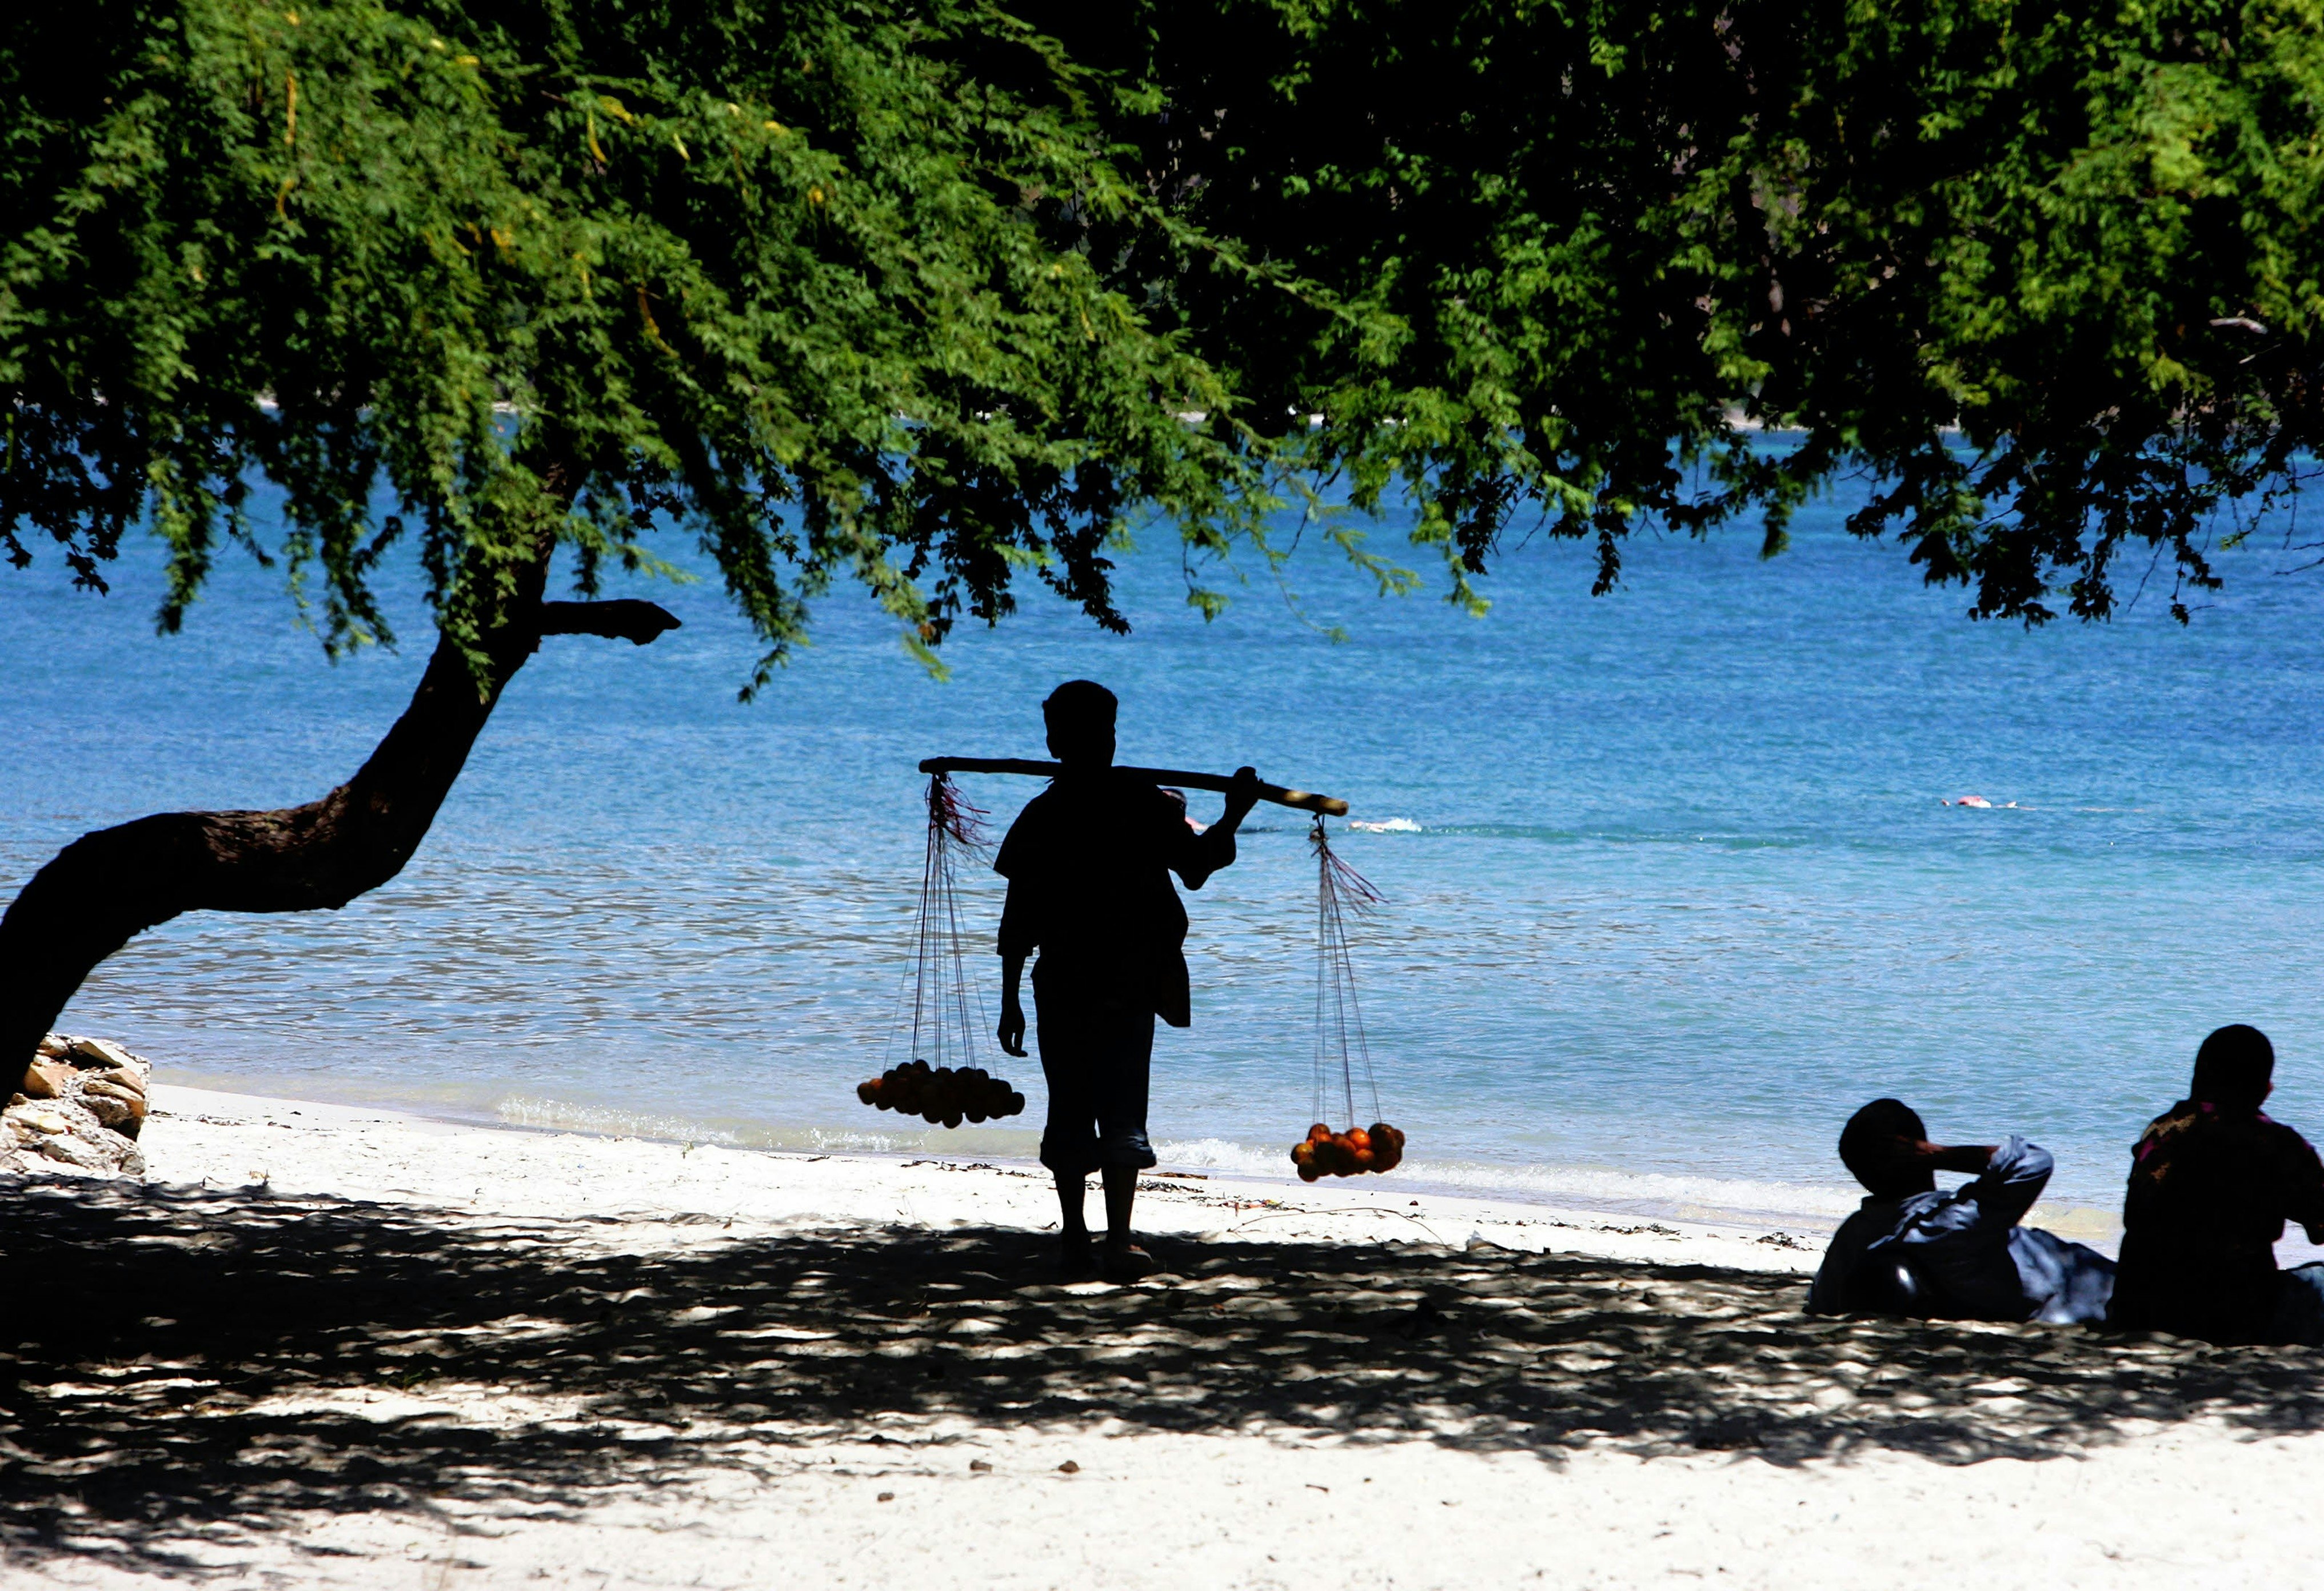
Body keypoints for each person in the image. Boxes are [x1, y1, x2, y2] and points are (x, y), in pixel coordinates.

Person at [993, 680, 1259, 1280]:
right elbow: (1197, 868)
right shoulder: (1137, 805)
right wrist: (1234, 815)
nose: (1107, 743)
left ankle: (1081, 1240)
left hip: (1072, 981)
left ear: (1054, 742)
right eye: (1101, 733)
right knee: (1118, 1106)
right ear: (1072, 740)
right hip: (1118, 980)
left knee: (1076, 1104)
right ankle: (1111, 1239)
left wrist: (1010, 997)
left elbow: (1017, 921)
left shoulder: (1053, 811)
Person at [1807, 1098, 2114, 1324]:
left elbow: (1822, 1302)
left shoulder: (1855, 1234)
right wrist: (1938, 1154)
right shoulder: (1948, 1223)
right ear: (1918, 1149)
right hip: (2095, 1288)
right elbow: (2034, 1160)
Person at [2109, 1024, 2324, 1345]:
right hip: (2233, 1317)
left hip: (2141, 1308)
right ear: (2265, 1090)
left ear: (2197, 1078)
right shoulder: (2277, 1145)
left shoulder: (2160, 1133)